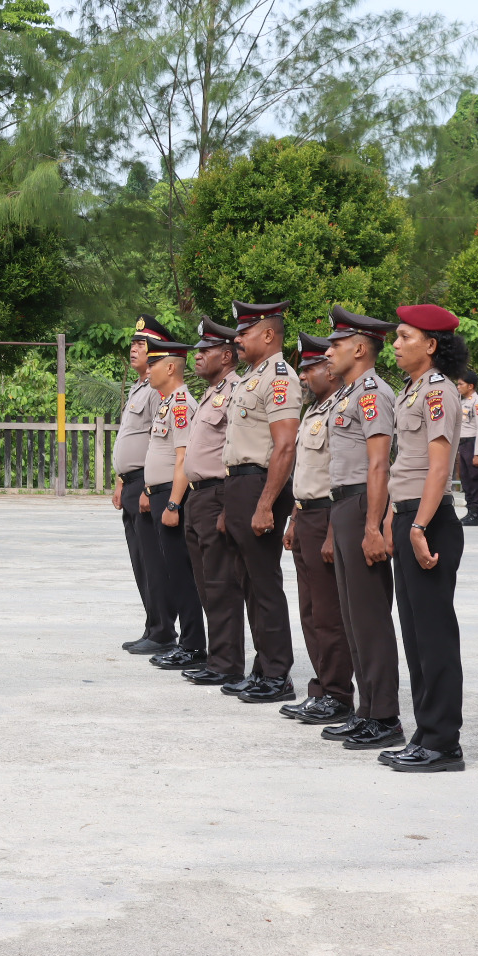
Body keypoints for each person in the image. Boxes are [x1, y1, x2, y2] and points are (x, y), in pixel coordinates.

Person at [382, 304, 470, 773]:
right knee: (414, 635)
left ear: (431, 345)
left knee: (434, 636)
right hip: (410, 515)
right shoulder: (412, 390)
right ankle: (425, 733)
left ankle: (443, 743)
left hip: (429, 520)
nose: (395, 344)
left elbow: (440, 467)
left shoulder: (439, 392)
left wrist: (418, 527)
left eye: (404, 336)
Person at [321, 305, 403, 751]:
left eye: (335, 344)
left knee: (370, 616)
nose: (328, 352)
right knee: (353, 617)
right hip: (344, 505)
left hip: (361, 504)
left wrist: (373, 525)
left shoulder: (371, 392)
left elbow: (378, 463)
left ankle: (385, 715)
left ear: (358, 347)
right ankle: (367, 710)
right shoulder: (347, 393)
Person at [218, 300, 299, 705]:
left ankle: (278, 673)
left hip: (260, 485)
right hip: (238, 486)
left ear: (268, 335)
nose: (237, 339)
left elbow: (285, 447)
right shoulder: (252, 377)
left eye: (245, 332)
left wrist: (266, 504)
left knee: (264, 582)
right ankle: (263, 664)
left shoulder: (280, 377)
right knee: (247, 580)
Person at [278, 332, 354, 726]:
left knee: (329, 614)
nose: (303, 376)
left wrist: (329, 532)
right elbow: (306, 472)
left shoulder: (341, 410)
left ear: (329, 368)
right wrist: (293, 518)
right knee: (309, 611)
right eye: (303, 369)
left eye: (309, 368)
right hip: (305, 514)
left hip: (327, 516)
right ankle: (321, 689)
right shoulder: (313, 411)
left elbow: (339, 478)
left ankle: (338, 694)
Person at [176, 318, 248, 687]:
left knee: (221, 582)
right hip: (197, 495)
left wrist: (228, 505)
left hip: (218, 493)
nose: (197, 358)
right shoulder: (210, 392)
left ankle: (228, 662)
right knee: (207, 582)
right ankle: (218, 656)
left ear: (226, 354)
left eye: (205, 351)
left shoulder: (237, 389)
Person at [137, 334, 206, 664]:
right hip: (160, 494)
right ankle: (189, 644)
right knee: (172, 572)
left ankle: (193, 646)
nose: (147, 369)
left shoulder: (181, 405)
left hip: (172, 497)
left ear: (170, 367)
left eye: (153, 364)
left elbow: (183, 458)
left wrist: (174, 504)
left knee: (181, 574)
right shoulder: (167, 402)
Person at [111, 315, 158, 651]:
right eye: (133, 343)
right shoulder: (137, 387)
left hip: (145, 483)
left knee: (153, 560)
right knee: (139, 561)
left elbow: (160, 440)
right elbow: (128, 436)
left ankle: (161, 630)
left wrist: (147, 486)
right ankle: (151, 624)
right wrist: (118, 481)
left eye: (141, 343)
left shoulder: (156, 390)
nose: (133, 349)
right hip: (129, 483)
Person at [456, 371, 478, 525]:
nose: (458, 387)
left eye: (461, 384)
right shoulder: (462, 403)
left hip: (473, 443)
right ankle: (470, 511)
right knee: (466, 479)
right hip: (463, 444)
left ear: (471, 386)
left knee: (475, 478)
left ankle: (475, 513)